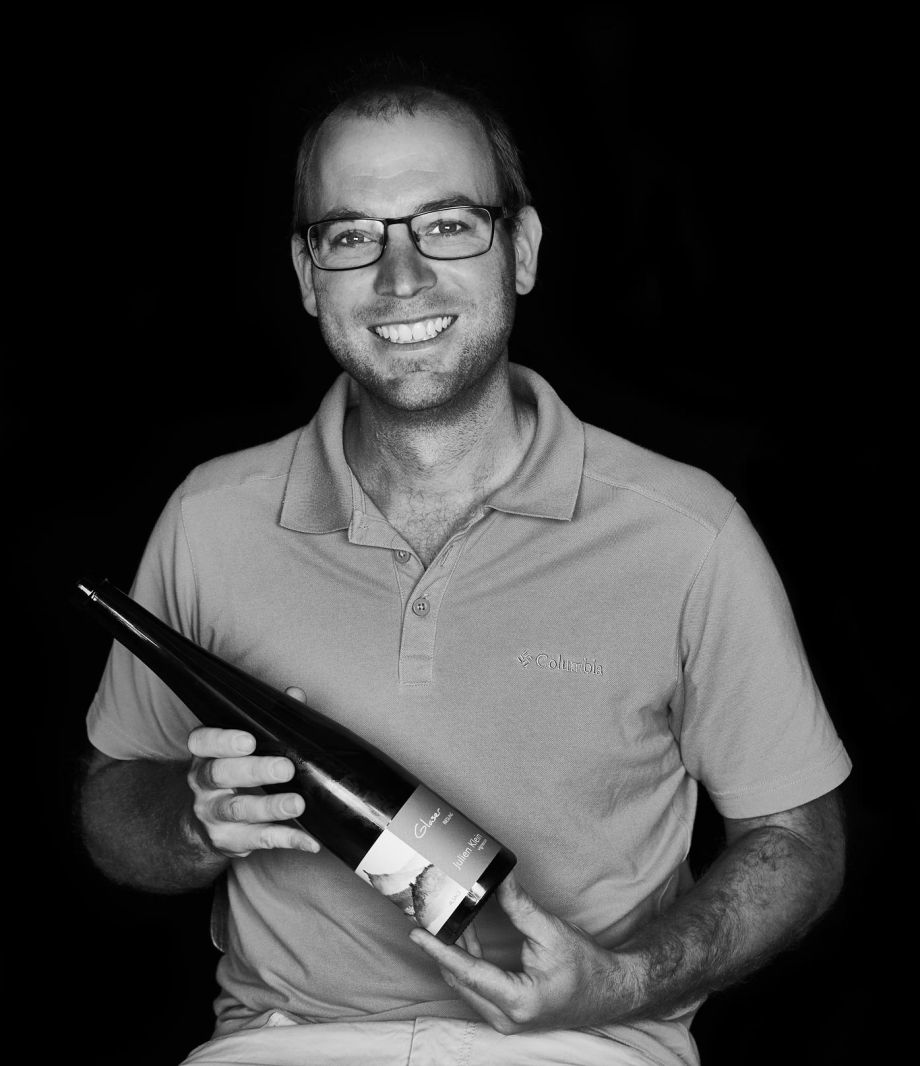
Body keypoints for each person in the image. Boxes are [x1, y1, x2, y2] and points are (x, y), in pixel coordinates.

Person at [79, 67, 850, 1066]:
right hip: (288, 1040)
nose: (400, 277)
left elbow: (796, 839)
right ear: (308, 274)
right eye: (351, 235)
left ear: (520, 250)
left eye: (448, 225)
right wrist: (192, 819)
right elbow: (111, 801)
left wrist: (622, 981)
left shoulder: (688, 533)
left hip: (586, 1046)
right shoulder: (208, 519)